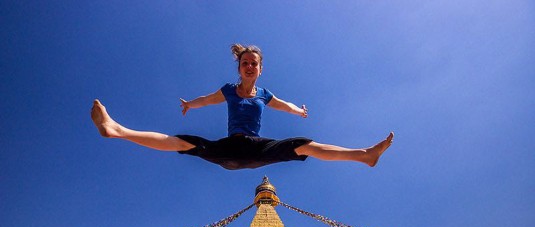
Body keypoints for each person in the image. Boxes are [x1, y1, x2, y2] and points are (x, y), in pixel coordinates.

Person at [91, 43, 393, 170]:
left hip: (257, 149)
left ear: (260, 69)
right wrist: (190, 105)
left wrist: (298, 111)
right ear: (239, 67)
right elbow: (208, 99)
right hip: (230, 150)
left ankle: (365, 156)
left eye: (254, 64)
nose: (249, 66)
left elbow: (283, 104)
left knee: (304, 145)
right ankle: (117, 130)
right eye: (244, 63)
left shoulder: (263, 94)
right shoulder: (229, 91)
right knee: (184, 142)